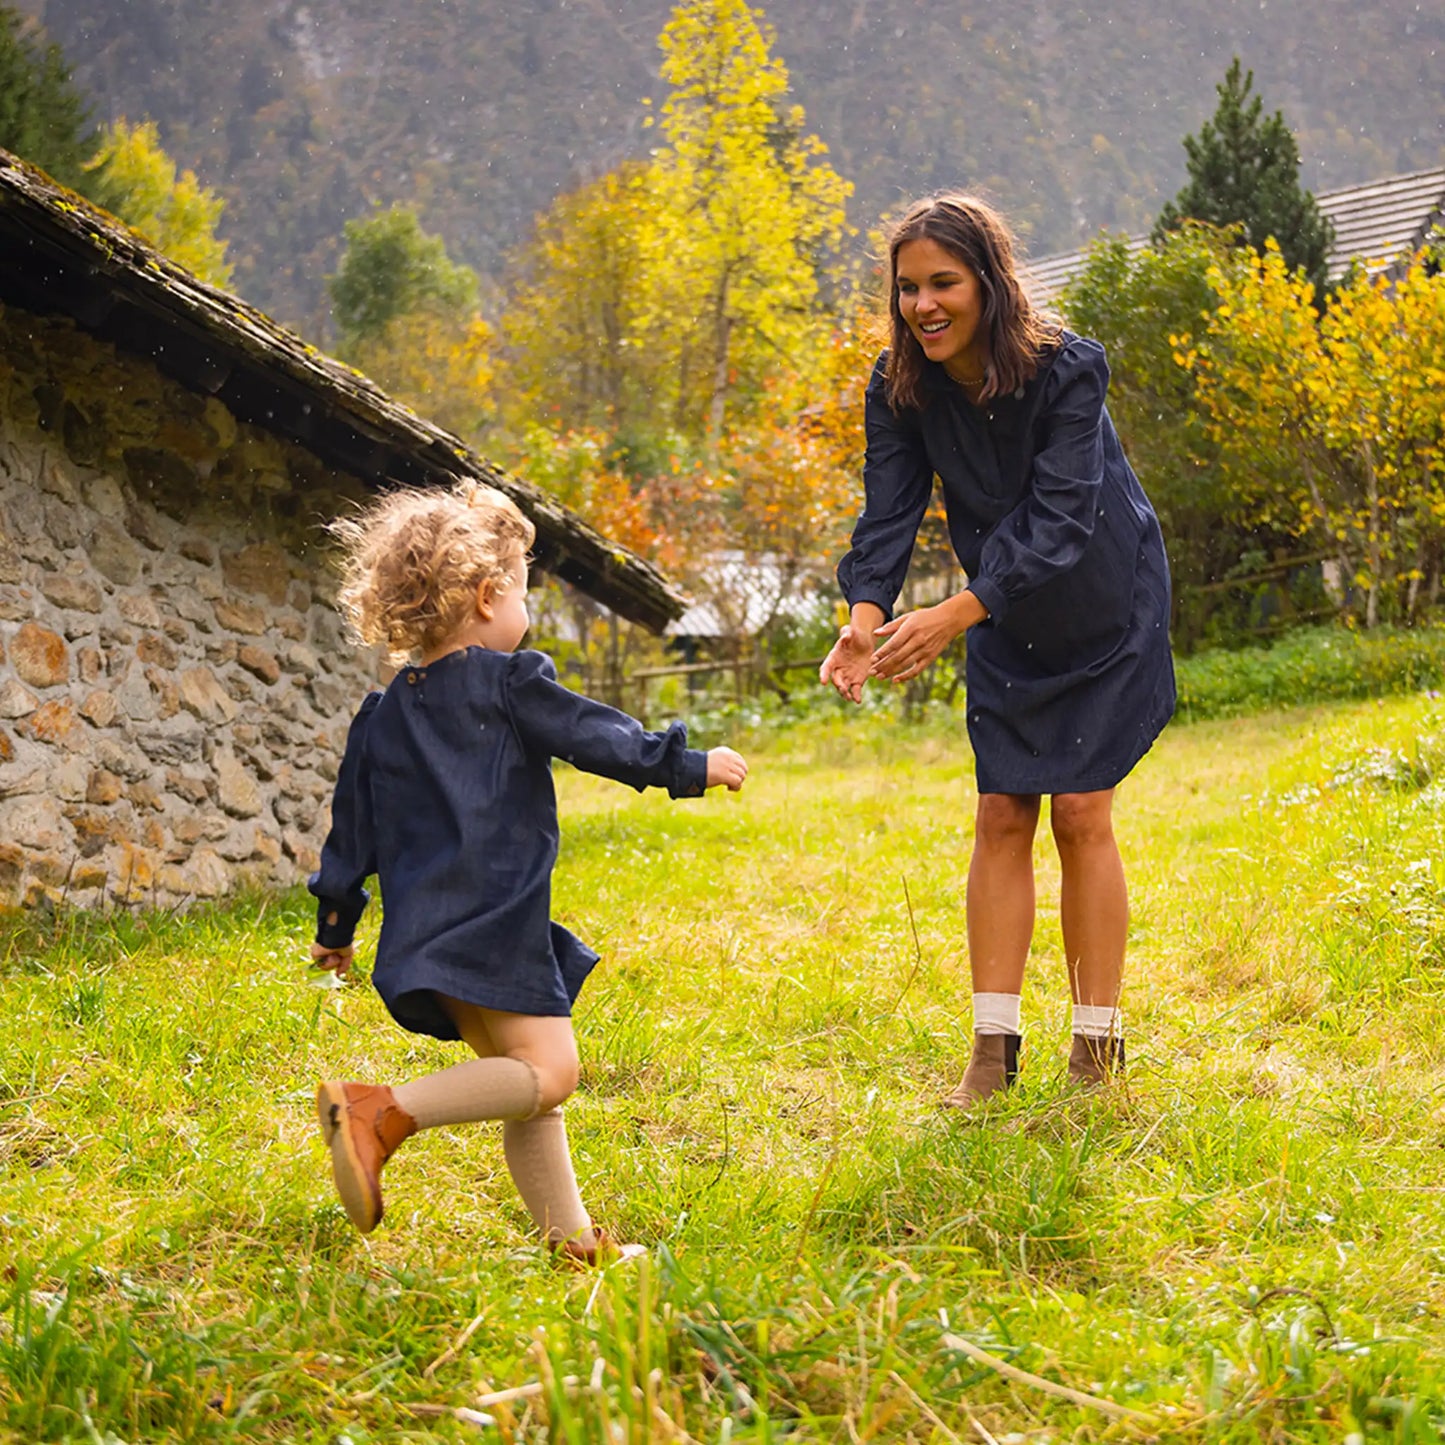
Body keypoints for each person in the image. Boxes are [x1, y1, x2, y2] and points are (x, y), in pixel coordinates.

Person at [307, 479, 748, 1261]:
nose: (526, 612)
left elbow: (350, 835)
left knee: (522, 1080)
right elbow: (598, 737)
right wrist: (688, 764)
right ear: (486, 596)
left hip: (423, 937)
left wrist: (335, 926)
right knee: (550, 1072)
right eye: (522, 593)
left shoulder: (379, 717)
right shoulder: (510, 682)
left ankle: (571, 1240)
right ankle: (380, 1111)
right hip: (493, 924)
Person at [821, 194, 1174, 1109]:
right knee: (1001, 815)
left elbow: (1063, 517)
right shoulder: (899, 384)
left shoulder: (1066, 369)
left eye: (943, 282)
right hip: (1003, 616)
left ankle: (1095, 1050)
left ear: (989, 280)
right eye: (907, 287)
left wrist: (951, 614)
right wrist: (865, 616)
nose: (922, 304)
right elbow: (888, 509)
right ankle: (991, 1050)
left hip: (1101, 600)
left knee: (1081, 813)